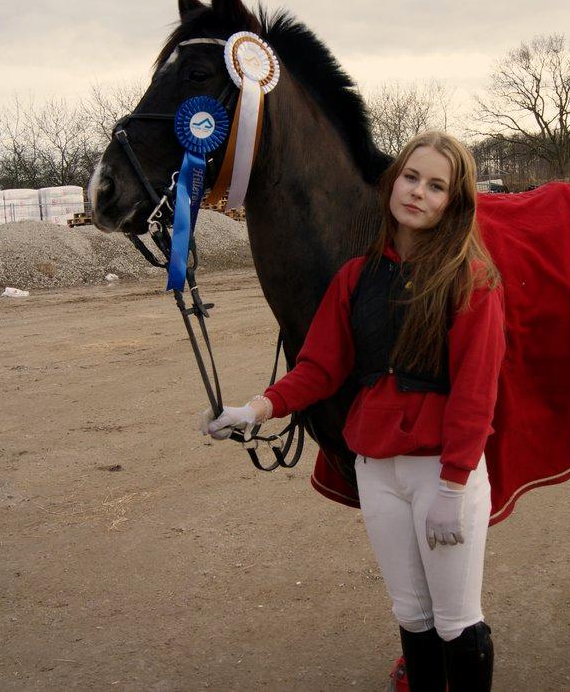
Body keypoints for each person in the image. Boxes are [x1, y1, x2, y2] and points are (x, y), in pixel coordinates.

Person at [204, 131, 506, 691]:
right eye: (411, 177)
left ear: (454, 201)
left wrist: (454, 484)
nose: (418, 192)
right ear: (393, 184)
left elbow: (475, 391)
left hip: (441, 473)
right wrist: (256, 408)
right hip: (377, 472)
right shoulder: (354, 277)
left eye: (436, 185)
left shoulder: (471, 280)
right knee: (412, 614)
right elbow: (318, 368)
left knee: (456, 622)